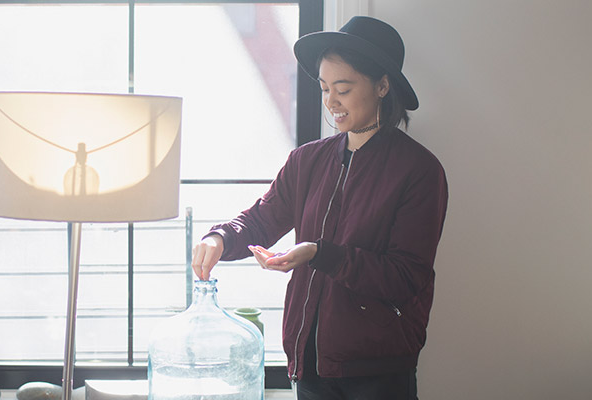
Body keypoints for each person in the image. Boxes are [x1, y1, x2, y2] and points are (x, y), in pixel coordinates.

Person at [190, 16, 448, 400]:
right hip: (309, 364)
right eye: (325, 88)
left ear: (382, 85)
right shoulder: (307, 160)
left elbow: (403, 277)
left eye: (343, 88)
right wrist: (221, 237)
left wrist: (319, 254)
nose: (330, 102)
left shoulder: (419, 171)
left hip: (379, 370)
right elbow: (261, 219)